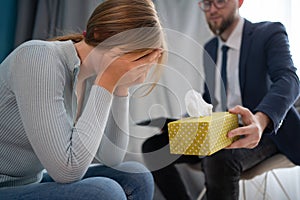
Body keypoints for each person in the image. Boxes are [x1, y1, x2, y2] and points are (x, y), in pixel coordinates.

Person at [0, 0, 167, 199]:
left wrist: (121, 88)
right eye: (134, 56)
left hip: (29, 181)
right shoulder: (39, 58)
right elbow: (67, 172)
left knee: (136, 175)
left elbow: (111, 158)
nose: (133, 66)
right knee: (105, 192)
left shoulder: (89, 75)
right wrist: (107, 80)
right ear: (98, 34)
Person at [142, 0, 300, 199]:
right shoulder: (211, 48)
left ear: (239, 2)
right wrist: (181, 124)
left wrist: (260, 120)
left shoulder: (269, 33)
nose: (213, 9)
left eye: (220, 1)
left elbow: (289, 79)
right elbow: (210, 99)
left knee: (218, 155)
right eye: (207, 3)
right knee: (153, 148)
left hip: (265, 132)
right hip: (221, 130)